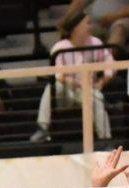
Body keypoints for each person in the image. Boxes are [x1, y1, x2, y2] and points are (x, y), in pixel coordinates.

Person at [30, 12, 115, 143]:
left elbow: (110, 63)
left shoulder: (95, 42)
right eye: (87, 23)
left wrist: (103, 82)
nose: (90, 26)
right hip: (68, 91)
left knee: (97, 99)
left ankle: (106, 141)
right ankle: (43, 128)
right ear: (76, 27)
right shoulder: (60, 47)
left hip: (88, 91)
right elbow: (58, 75)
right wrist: (75, 82)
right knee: (52, 87)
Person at [61, 0, 129, 53]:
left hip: (127, 19)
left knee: (119, 28)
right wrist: (65, 20)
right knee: (80, 28)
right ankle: (74, 70)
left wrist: (115, 17)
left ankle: (104, 69)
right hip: (98, 22)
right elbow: (79, 1)